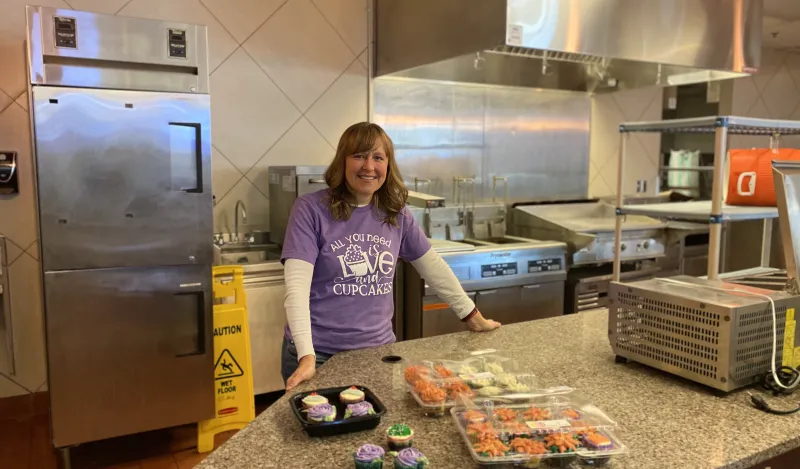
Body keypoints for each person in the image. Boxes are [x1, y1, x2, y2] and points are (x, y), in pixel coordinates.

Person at [280, 122, 501, 390]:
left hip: (378, 351)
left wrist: (473, 316)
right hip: (321, 355)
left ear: (388, 165)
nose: (369, 167)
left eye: (378, 157)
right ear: (342, 161)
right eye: (359, 155)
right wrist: (306, 356)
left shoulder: (395, 213)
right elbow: (297, 289)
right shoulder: (311, 210)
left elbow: (434, 268)